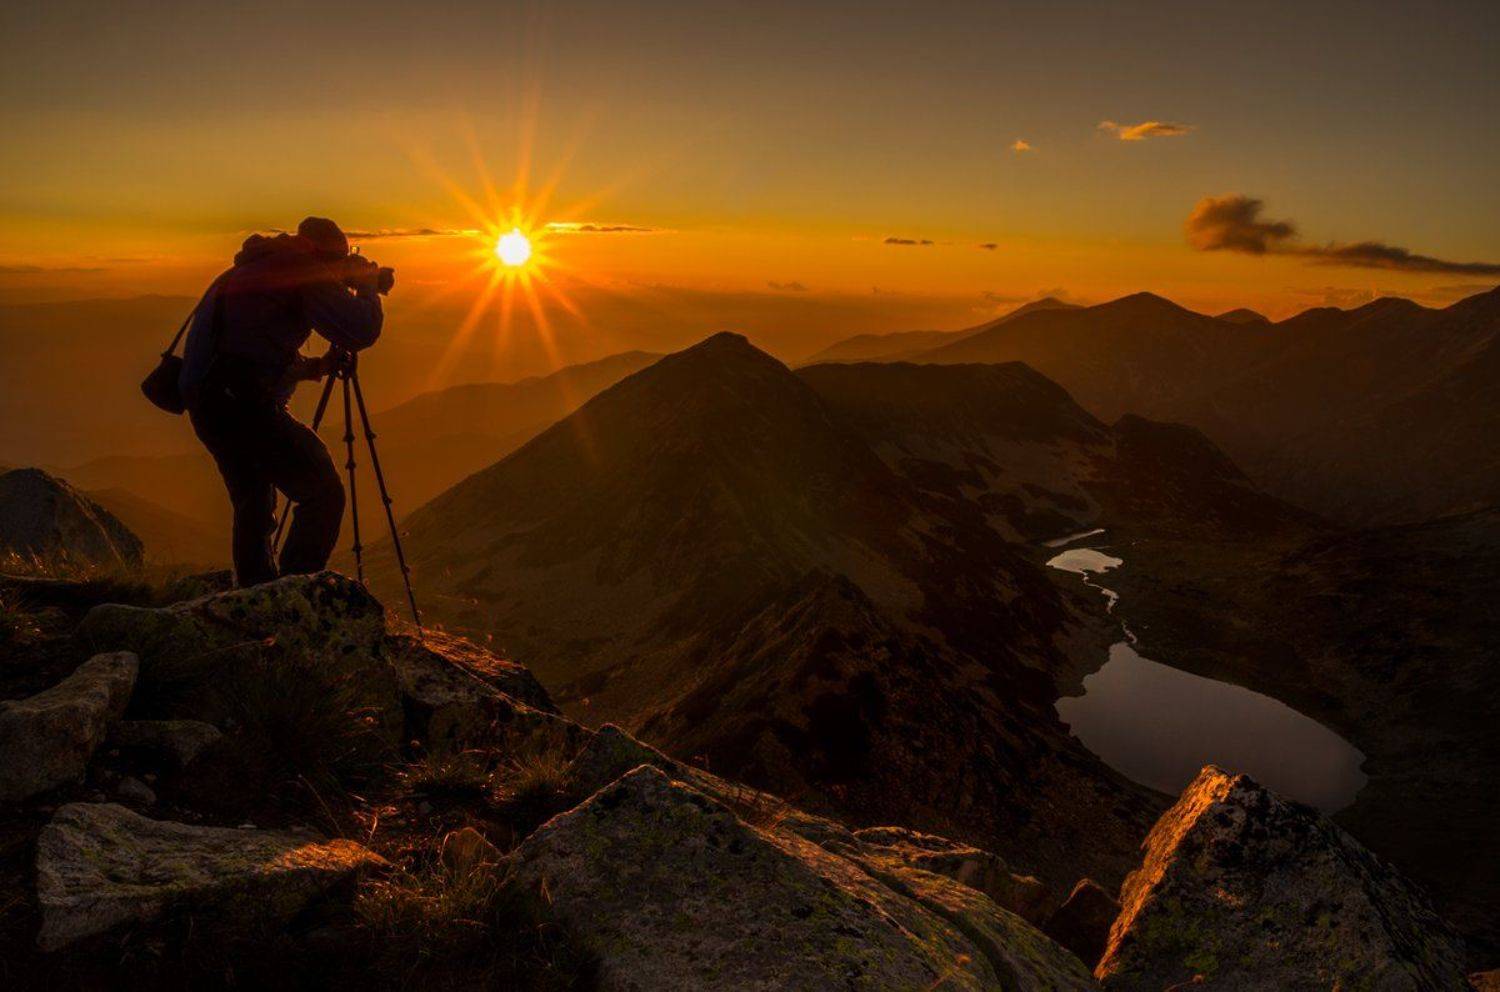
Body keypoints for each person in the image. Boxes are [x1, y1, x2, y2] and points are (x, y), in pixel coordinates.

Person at [181, 216, 387, 586]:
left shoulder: (261, 264)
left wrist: (315, 367)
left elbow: (249, 344)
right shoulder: (302, 270)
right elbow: (360, 329)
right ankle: (295, 594)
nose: (340, 268)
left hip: (208, 400)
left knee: (254, 507)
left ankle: (257, 599)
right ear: (322, 253)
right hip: (243, 405)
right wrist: (368, 288)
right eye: (340, 259)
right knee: (322, 494)